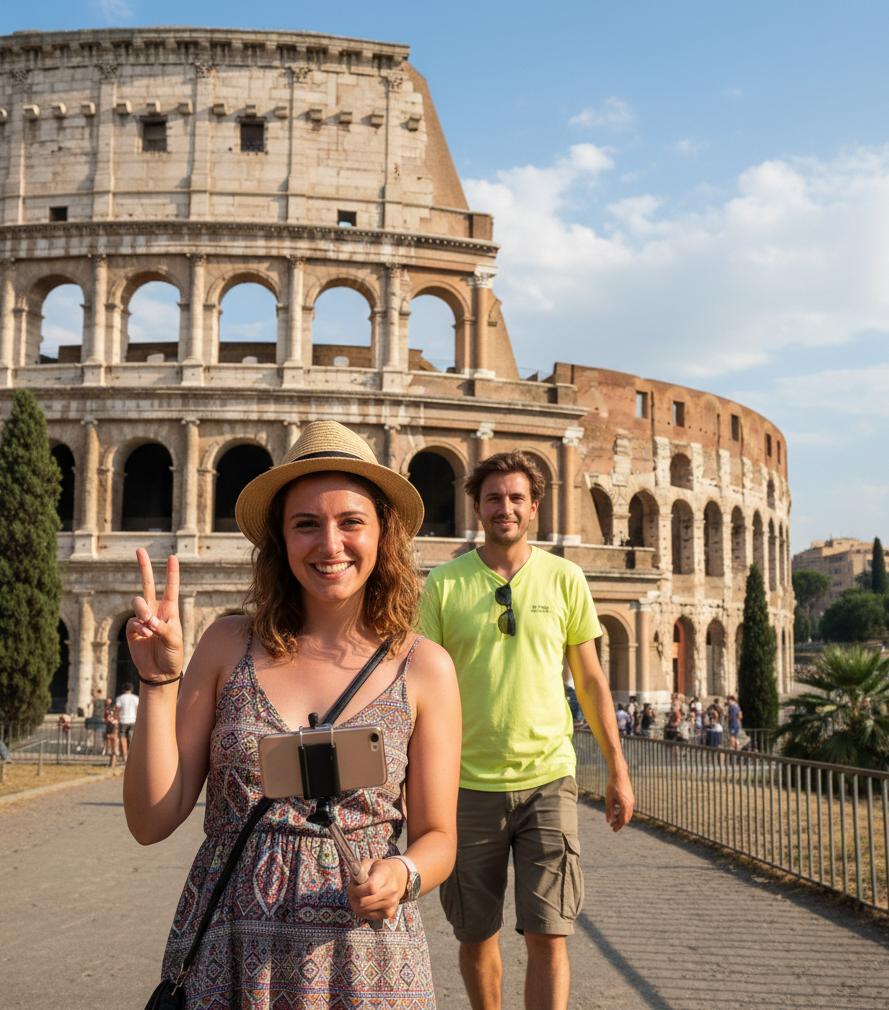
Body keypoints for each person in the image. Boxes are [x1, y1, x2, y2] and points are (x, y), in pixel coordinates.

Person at [121, 420, 461, 1009]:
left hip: (364, 959)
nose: (330, 544)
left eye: (351, 521)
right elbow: (150, 821)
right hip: (231, 948)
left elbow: (440, 837)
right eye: (306, 524)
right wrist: (156, 681)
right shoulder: (227, 645)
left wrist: (403, 874)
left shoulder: (424, 666)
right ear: (281, 538)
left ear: (383, 533)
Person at [419, 449, 634, 1010]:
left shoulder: (565, 578)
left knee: (550, 931)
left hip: (549, 779)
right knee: (475, 934)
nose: (505, 508)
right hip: (465, 785)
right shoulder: (443, 584)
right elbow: (419, 689)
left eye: (517, 498)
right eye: (493, 498)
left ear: (535, 506)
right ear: (476, 507)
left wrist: (618, 769)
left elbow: (591, 680)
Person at [115, 682, 139, 760]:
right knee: (131, 737)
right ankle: (131, 753)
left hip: (123, 720)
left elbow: (117, 710)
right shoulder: (136, 698)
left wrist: (116, 719)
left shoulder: (120, 698)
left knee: (122, 737)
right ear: (131, 689)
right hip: (133, 720)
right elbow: (139, 709)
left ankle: (125, 754)